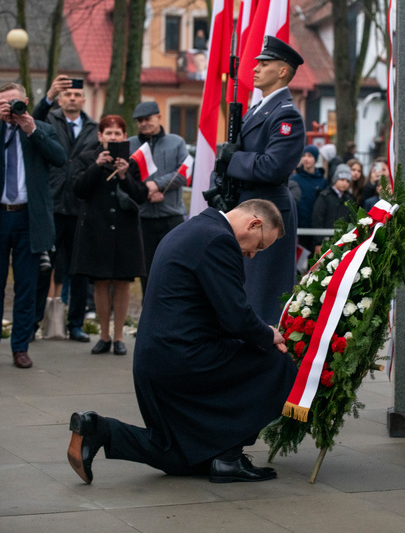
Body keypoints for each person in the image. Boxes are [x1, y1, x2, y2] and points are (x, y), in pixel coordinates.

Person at [67, 199, 297, 484]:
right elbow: (234, 316)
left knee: (178, 457)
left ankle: (97, 429)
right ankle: (229, 457)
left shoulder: (189, 229)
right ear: (254, 223)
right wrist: (268, 334)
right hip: (182, 360)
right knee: (277, 364)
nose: (252, 255)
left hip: (154, 362)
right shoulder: (218, 240)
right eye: (260, 246)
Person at [0, 83, 66, 369]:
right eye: (3, 104)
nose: (9, 109)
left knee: (26, 287)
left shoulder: (38, 129)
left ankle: (20, 347)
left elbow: (60, 158)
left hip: (27, 218)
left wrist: (31, 129)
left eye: (14, 103)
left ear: (26, 102)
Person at [215, 36, 306, 325]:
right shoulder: (259, 109)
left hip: (268, 213)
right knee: (242, 288)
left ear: (282, 71)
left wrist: (233, 159)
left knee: (263, 294)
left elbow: (272, 167)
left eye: (264, 64)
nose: (255, 69)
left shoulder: (286, 115)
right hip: (248, 208)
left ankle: (267, 358)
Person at [72, 116, 148, 356]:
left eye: (117, 133)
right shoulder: (87, 157)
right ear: (100, 136)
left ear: (124, 137)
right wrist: (96, 166)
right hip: (96, 229)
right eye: (109, 133)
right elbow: (79, 190)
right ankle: (103, 336)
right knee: (101, 283)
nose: (113, 138)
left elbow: (141, 195)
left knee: (123, 283)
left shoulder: (132, 161)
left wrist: (125, 176)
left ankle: (118, 337)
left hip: (125, 230)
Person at [32, 74, 100, 343]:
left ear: (83, 99)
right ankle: (34, 322)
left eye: (76, 95)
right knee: (44, 266)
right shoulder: (49, 119)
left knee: (79, 269)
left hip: (81, 207)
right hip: (51, 204)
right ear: (60, 99)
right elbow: (33, 122)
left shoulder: (94, 128)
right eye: (67, 95)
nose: (72, 98)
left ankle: (76, 324)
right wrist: (46, 97)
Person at [129, 101, 189, 296]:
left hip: (171, 217)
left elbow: (183, 173)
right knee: (146, 273)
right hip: (143, 218)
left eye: (147, 119)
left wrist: (156, 184)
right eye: (140, 121)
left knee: (175, 269)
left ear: (158, 117)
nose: (144, 123)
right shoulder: (130, 145)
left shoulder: (176, 142)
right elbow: (126, 178)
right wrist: (145, 191)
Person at [311, 163, 356, 254]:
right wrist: (318, 242)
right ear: (335, 179)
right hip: (326, 241)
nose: (345, 183)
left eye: (348, 181)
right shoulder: (324, 197)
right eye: (342, 179)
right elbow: (317, 219)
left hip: (342, 242)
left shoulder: (349, 199)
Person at [290, 144, 327, 252]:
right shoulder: (294, 179)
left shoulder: (322, 181)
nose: (306, 159)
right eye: (304, 155)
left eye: (310, 156)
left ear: (315, 158)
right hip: (299, 228)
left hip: (316, 229)